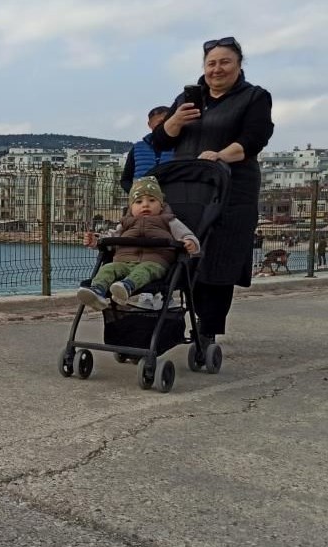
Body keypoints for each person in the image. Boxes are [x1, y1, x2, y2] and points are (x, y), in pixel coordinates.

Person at [151, 36, 274, 343]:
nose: (217, 69)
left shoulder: (254, 97)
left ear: (239, 64)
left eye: (224, 62)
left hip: (232, 189)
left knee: (219, 259)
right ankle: (163, 324)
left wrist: (220, 154)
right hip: (186, 188)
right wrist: (174, 121)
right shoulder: (188, 97)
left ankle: (207, 331)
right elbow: (160, 141)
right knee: (178, 254)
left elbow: (254, 139)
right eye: (211, 63)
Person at [77, 177, 200, 311]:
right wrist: (95, 241)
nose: (145, 205)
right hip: (123, 262)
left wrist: (190, 242)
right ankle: (98, 291)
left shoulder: (168, 221)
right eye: (139, 202)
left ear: (161, 205)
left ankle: (126, 286)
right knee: (108, 268)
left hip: (154, 262)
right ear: (131, 207)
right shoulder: (125, 223)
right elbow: (110, 238)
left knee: (144, 270)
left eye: (152, 201)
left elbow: (186, 235)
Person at [120, 106, 174, 192]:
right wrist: (136, 194)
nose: (164, 125)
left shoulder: (183, 145)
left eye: (168, 121)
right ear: (149, 124)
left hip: (175, 198)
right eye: (160, 123)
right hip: (146, 200)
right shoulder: (137, 148)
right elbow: (125, 180)